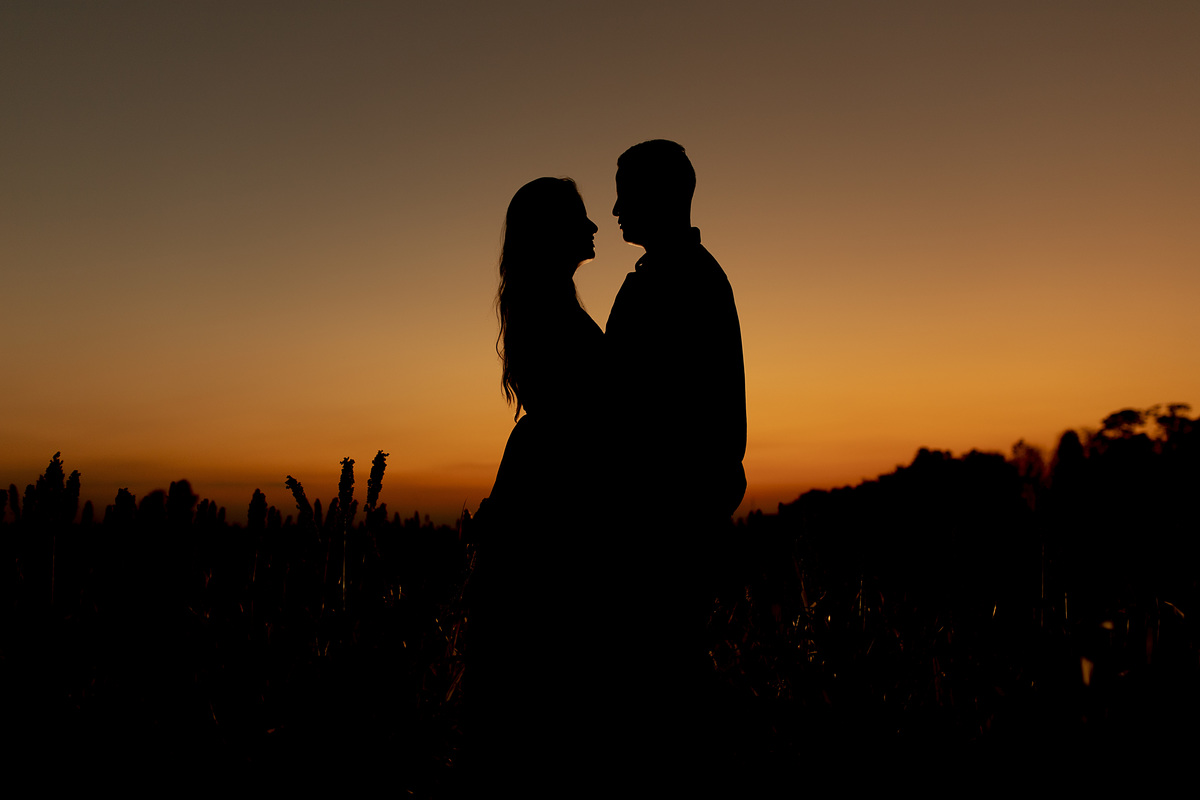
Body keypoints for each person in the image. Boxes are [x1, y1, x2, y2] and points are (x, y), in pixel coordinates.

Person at [604, 139, 748, 777]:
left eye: (624, 193)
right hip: (664, 515)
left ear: (659, 197)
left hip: (664, 522)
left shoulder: (684, 284)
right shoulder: (671, 277)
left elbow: (665, 417)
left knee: (662, 687)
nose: (612, 210)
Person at [468, 177, 609, 789]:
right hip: (552, 492)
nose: (596, 226)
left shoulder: (547, 300)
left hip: (543, 479)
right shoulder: (551, 308)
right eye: (581, 217)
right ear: (555, 231)